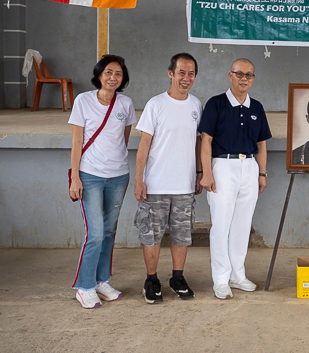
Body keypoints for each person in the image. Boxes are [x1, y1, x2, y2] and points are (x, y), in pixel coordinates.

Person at [199, 58, 272, 299]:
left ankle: (237, 275)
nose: (244, 78)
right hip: (222, 166)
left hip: (249, 167)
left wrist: (262, 173)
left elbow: (261, 144)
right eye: (239, 73)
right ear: (230, 75)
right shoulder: (216, 104)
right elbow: (206, 140)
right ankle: (220, 279)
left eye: (249, 75)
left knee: (242, 224)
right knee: (221, 224)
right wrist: (206, 173)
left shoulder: (256, 107)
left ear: (253, 78)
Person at [134, 53, 203, 304]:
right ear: (170, 73)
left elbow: (197, 143)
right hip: (156, 184)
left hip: (184, 185)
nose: (186, 78)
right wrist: (139, 179)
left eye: (191, 73)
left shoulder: (196, 105)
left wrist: (199, 172)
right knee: (151, 234)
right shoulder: (156, 104)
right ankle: (151, 280)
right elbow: (144, 145)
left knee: (182, 234)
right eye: (181, 72)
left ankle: (177, 277)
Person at [68, 54, 137, 309]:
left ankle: (101, 280)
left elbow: (123, 138)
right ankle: (84, 286)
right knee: (95, 233)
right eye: (108, 72)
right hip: (90, 175)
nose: (113, 77)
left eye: (118, 74)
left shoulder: (126, 103)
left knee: (109, 231)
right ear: (99, 75)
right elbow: (77, 142)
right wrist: (75, 177)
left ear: (123, 78)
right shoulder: (83, 101)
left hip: (119, 176)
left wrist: (114, 163)